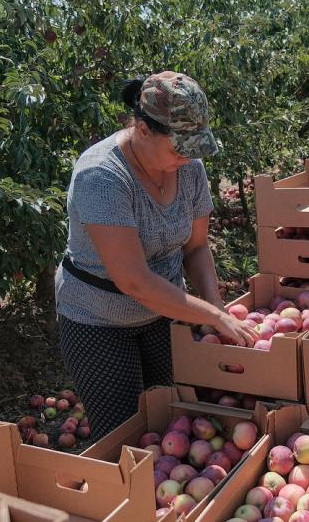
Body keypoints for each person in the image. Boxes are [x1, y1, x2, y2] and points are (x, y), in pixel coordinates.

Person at [55, 71, 257, 441]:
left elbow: (195, 248)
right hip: (98, 318)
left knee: (173, 422)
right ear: (143, 131)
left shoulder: (190, 169)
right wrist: (209, 314)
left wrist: (216, 308)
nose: (187, 157)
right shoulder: (102, 175)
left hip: (165, 312)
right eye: (178, 147)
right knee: (123, 432)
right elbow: (133, 279)